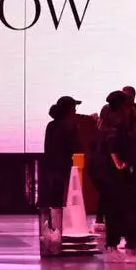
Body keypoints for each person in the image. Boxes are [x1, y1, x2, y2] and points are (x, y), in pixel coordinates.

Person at [97, 90, 136, 259]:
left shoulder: (107, 119)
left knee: (113, 209)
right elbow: (112, 143)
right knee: (121, 208)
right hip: (116, 174)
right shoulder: (118, 122)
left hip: (108, 173)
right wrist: (119, 164)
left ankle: (113, 244)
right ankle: (116, 245)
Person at [40, 96, 82, 253]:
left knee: (54, 200)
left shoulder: (51, 125)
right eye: (74, 107)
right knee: (61, 200)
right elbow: (75, 147)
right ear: (68, 110)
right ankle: (60, 232)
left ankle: (54, 231)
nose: (76, 111)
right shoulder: (68, 126)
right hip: (63, 169)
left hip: (51, 168)